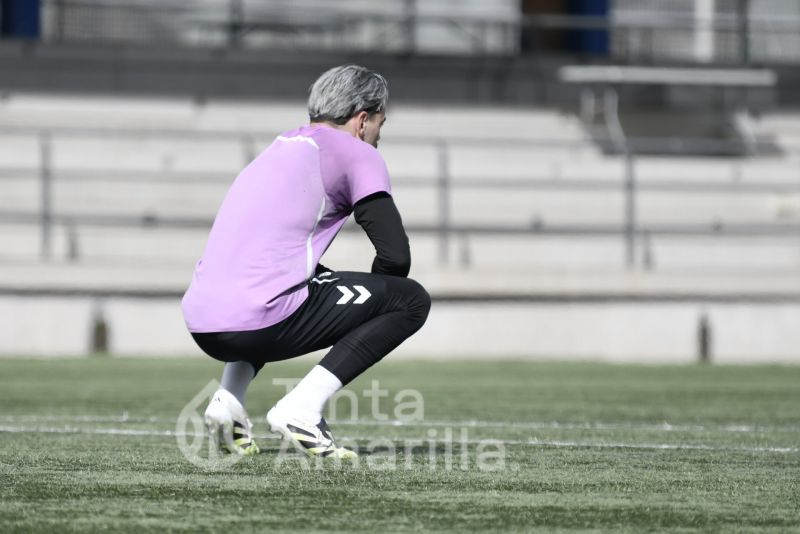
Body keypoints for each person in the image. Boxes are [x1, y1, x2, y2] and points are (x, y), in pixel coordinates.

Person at [181, 65, 430, 459]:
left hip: (202, 320)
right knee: (411, 299)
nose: (380, 134)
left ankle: (228, 400)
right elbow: (396, 257)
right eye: (382, 123)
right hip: (257, 318)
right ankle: (301, 409)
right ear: (363, 119)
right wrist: (373, 302)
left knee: (298, 281)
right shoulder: (356, 152)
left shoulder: (279, 145)